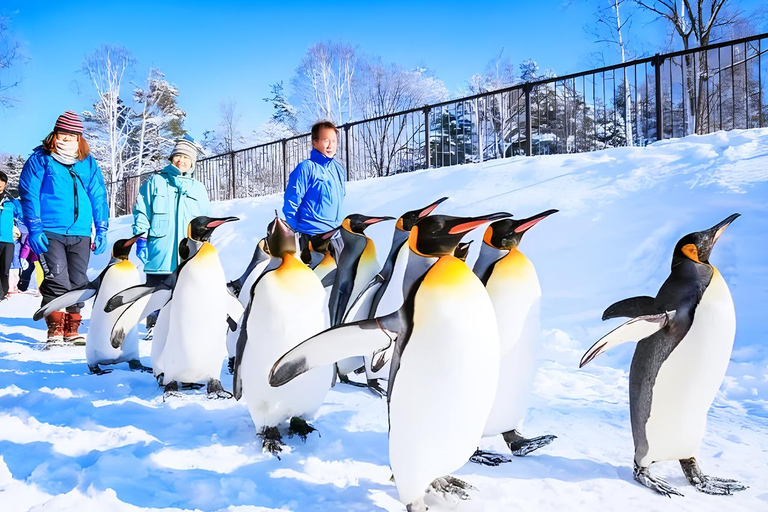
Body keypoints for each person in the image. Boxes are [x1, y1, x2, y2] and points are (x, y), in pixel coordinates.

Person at [19, 111, 109, 344]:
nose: (67, 138)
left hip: (80, 231)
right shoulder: (40, 158)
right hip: (50, 230)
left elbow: (98, 194)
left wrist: (101, 228)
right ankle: (55, 329)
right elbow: (29, 194)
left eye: (72, 134)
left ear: (79, 136)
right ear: (55, 133)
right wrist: (35, 228)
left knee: (79, 280)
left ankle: (72, 328)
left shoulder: (87, 161)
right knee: (57, 279)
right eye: (63, 133)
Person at [132, 136, 209, 328]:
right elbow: (142, 209)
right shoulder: (155, 181)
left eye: (186, 157)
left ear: (192, 162)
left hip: (187, 250)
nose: (181, 160)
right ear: (171, 158)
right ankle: (154, 325)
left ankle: (180, 326)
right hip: (160, 247)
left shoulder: (198, 189)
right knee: (157, 289)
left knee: (184, 289)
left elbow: (203, 220)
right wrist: (141, 236)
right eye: (178, 156)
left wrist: (204, 243)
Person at [282, 120, 346, 262]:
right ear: (315, 142)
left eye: (334, 141)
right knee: (315, 282)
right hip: (312, 237)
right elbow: (291, 201)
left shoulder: (338, 169)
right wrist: (297, 231)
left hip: (335, 234)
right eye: (326, 140)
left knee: (338, 280)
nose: (330, 145)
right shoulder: (306, 168)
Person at [0, 171, 23, 301]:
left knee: (4, 269)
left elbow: (22, 217)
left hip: (8, 241)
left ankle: (2, 293)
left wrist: (20, 231)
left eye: (2, 181)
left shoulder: (11, 202)